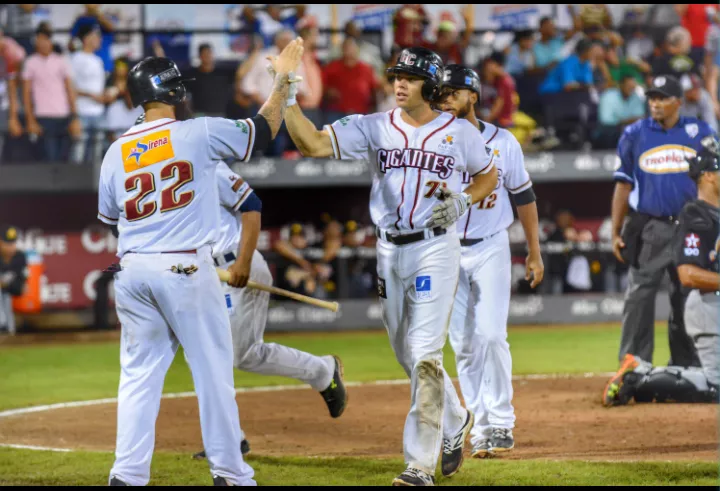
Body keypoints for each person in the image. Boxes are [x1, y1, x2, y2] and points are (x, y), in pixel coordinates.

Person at [278, 43, 498, 486]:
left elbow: (488, 175)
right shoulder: (375, 126)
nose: (399, 82)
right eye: (396, 75)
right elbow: (313, 143)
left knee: (424, 353)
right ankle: (455, 419)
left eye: (410, 77)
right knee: (405, 352)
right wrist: (286, 92)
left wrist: (462, 201)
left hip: (435, 246)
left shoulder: (461, 133)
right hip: (388, 249)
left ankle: (418, 466)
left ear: (430, 85)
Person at [97, 38, 304, 486]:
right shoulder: (198, 131)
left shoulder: (115, 151)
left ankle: (127, 475)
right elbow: (263, 129)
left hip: (133, 271)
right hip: (186, 268)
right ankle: (231, 472)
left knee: (138, 378)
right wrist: (284, 80)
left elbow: (111, 218)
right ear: (172, 94)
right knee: (212, 375)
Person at [189, 161, 347, 460]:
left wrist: (244, 263)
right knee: (204, 355)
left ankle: (321, 370)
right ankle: (229, 438)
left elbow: (252, 203)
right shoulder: (161, 178)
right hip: (204, 274)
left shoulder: (206, 163)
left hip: (238, 264)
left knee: (240, 354)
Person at [435, 65, 544, 459]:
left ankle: (500, 422)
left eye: (452, 92)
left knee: (492, 335)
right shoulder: (431, 142)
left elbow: (525, 197)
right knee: (463, 344)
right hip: (445, 249)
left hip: (491, 246)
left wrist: (534, 250)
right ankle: (481, 427)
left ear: (473, 96)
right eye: (441, 92)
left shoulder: (503, 142)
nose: (445, 98)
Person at [603, 135, 720, 407]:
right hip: (706, 307)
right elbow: (688, 275)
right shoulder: (695, 214)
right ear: (709, 177)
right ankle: (638, 376)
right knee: (715, 388)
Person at [611, 74, 717, 370]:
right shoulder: (634, 133)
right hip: (651, 226)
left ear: (678, 102)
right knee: (639, 297)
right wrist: (614, 230)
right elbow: (622, 185)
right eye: (652, 98)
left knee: (688, 297)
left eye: (662, 98)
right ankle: (632, 364)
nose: (655, 104)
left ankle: (689, 366)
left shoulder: (702, 132)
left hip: (692, 227)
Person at [69, 24, 107, 165]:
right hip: (82, 111)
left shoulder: (98, 60)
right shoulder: (75, 58)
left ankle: (95, 184)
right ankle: (74, 183)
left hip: (99, 112)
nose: (99, 39)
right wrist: (91, 95)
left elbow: (99, 87)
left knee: (97, 152)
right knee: (79, 150)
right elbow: (70, 88)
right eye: (96, 36)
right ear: (86, 38)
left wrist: (104, 96)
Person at [0, 225, 26, 335]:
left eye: (13, 243)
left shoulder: (19, 257)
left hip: (11, 290)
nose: (11, 247)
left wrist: (4, 284)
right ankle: (6, 326)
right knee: (3, 295)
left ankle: (4, 325)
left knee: (5, 295)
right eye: (8, 243)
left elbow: (19, 287)